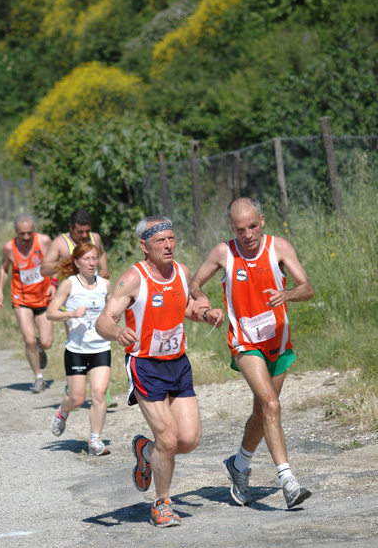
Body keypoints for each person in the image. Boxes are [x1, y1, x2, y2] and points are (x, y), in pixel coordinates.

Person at [96, 215, 224, 527]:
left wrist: (206, 313)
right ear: (144, 245)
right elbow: (103, 320)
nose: (168, 245)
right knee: (168, 437)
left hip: (178, 364)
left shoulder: (181, 272)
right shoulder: (133, 279)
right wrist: (117, 333)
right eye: (160, 241)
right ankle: (162, 503)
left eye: (171, 238)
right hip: (145, 365)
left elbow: (189, 308)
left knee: (189, 439)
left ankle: (145, 450)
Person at [190, 197, 315, 509]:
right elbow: (194, 283)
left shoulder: (279, 247)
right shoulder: (224, 252)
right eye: (239, 228)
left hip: (278, 340)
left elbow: (307, 288)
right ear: (231, 228)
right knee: (271, 404)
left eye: (252, 226)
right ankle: (288, 481)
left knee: (262, 413)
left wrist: (286, 294)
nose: (247, 234)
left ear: (262, 220)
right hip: (245, 342)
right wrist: (205, 305)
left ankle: (239, 465)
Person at [47, 242, 112, 456]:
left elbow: (113, 310)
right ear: (77, 262)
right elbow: (51, 313)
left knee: (100, 393)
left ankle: (95, 440)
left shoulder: (105, 285)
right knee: (77, 398)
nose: (92, 263)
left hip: (101, 346)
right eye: (87, 259)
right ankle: (62, 413)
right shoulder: (69, 284)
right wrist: (72, 314)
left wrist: (115, 318)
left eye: (94, 258)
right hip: (76, 349)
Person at [0, 214, 53, 393]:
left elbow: (55, 262)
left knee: (46, 341)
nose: (26, 237)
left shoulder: (44, 241)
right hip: (21, 298)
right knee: (28, 338)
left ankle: (39, 349)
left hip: (43, 296)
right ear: (16, 232)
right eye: (22, 234)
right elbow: (4, 269)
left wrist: (54, 283)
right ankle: (38, 378)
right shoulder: (9, 248)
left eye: (29, 233)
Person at [40, 208, 109, 280]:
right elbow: (43, 270)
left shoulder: (95, 238)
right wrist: (66, 263)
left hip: (92, 289)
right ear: (71, 227)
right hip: (68, 289)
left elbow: (102, 254)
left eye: (87, 231)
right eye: (80, 232)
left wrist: (104, 269)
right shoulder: (60, 243)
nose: (85, 235)